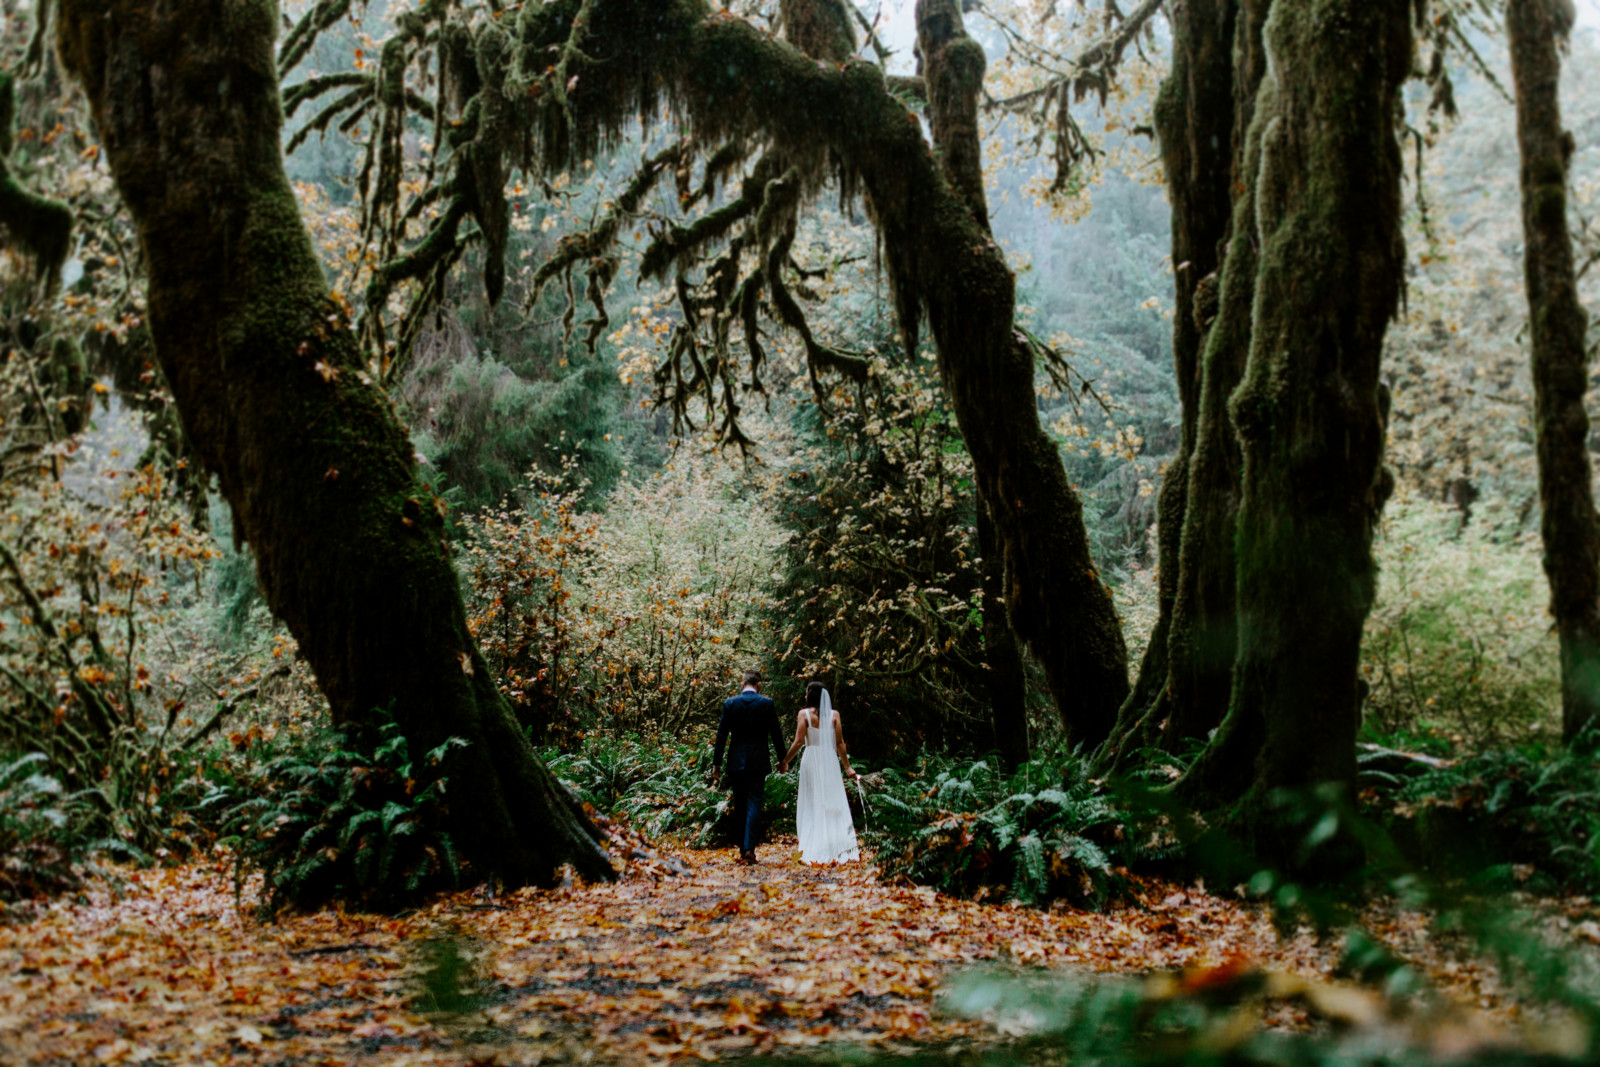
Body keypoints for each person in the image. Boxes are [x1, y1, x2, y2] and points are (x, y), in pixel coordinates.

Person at [779, 681, 860, 864]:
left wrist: (785, 760)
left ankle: (813, 842)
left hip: (811, 758)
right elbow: (840, 743)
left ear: (809, 695)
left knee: (812, 799)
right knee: (831, 798)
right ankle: (835, 843)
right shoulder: (834, 715)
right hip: (829, 759)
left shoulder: (804, 714)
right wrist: (847, 767)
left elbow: (799, 741)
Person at [712, 668, 786, 865]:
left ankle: (743, 849)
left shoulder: (730, 704)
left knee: (740, 805)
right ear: (758, 684)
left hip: (736, 762)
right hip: (758, 761)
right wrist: (783, 759)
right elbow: (776, 733)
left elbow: (721, 735)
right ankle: (749, 848)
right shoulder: (766, 704)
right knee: (754, 803)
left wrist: (716, 764)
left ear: (742, 683)